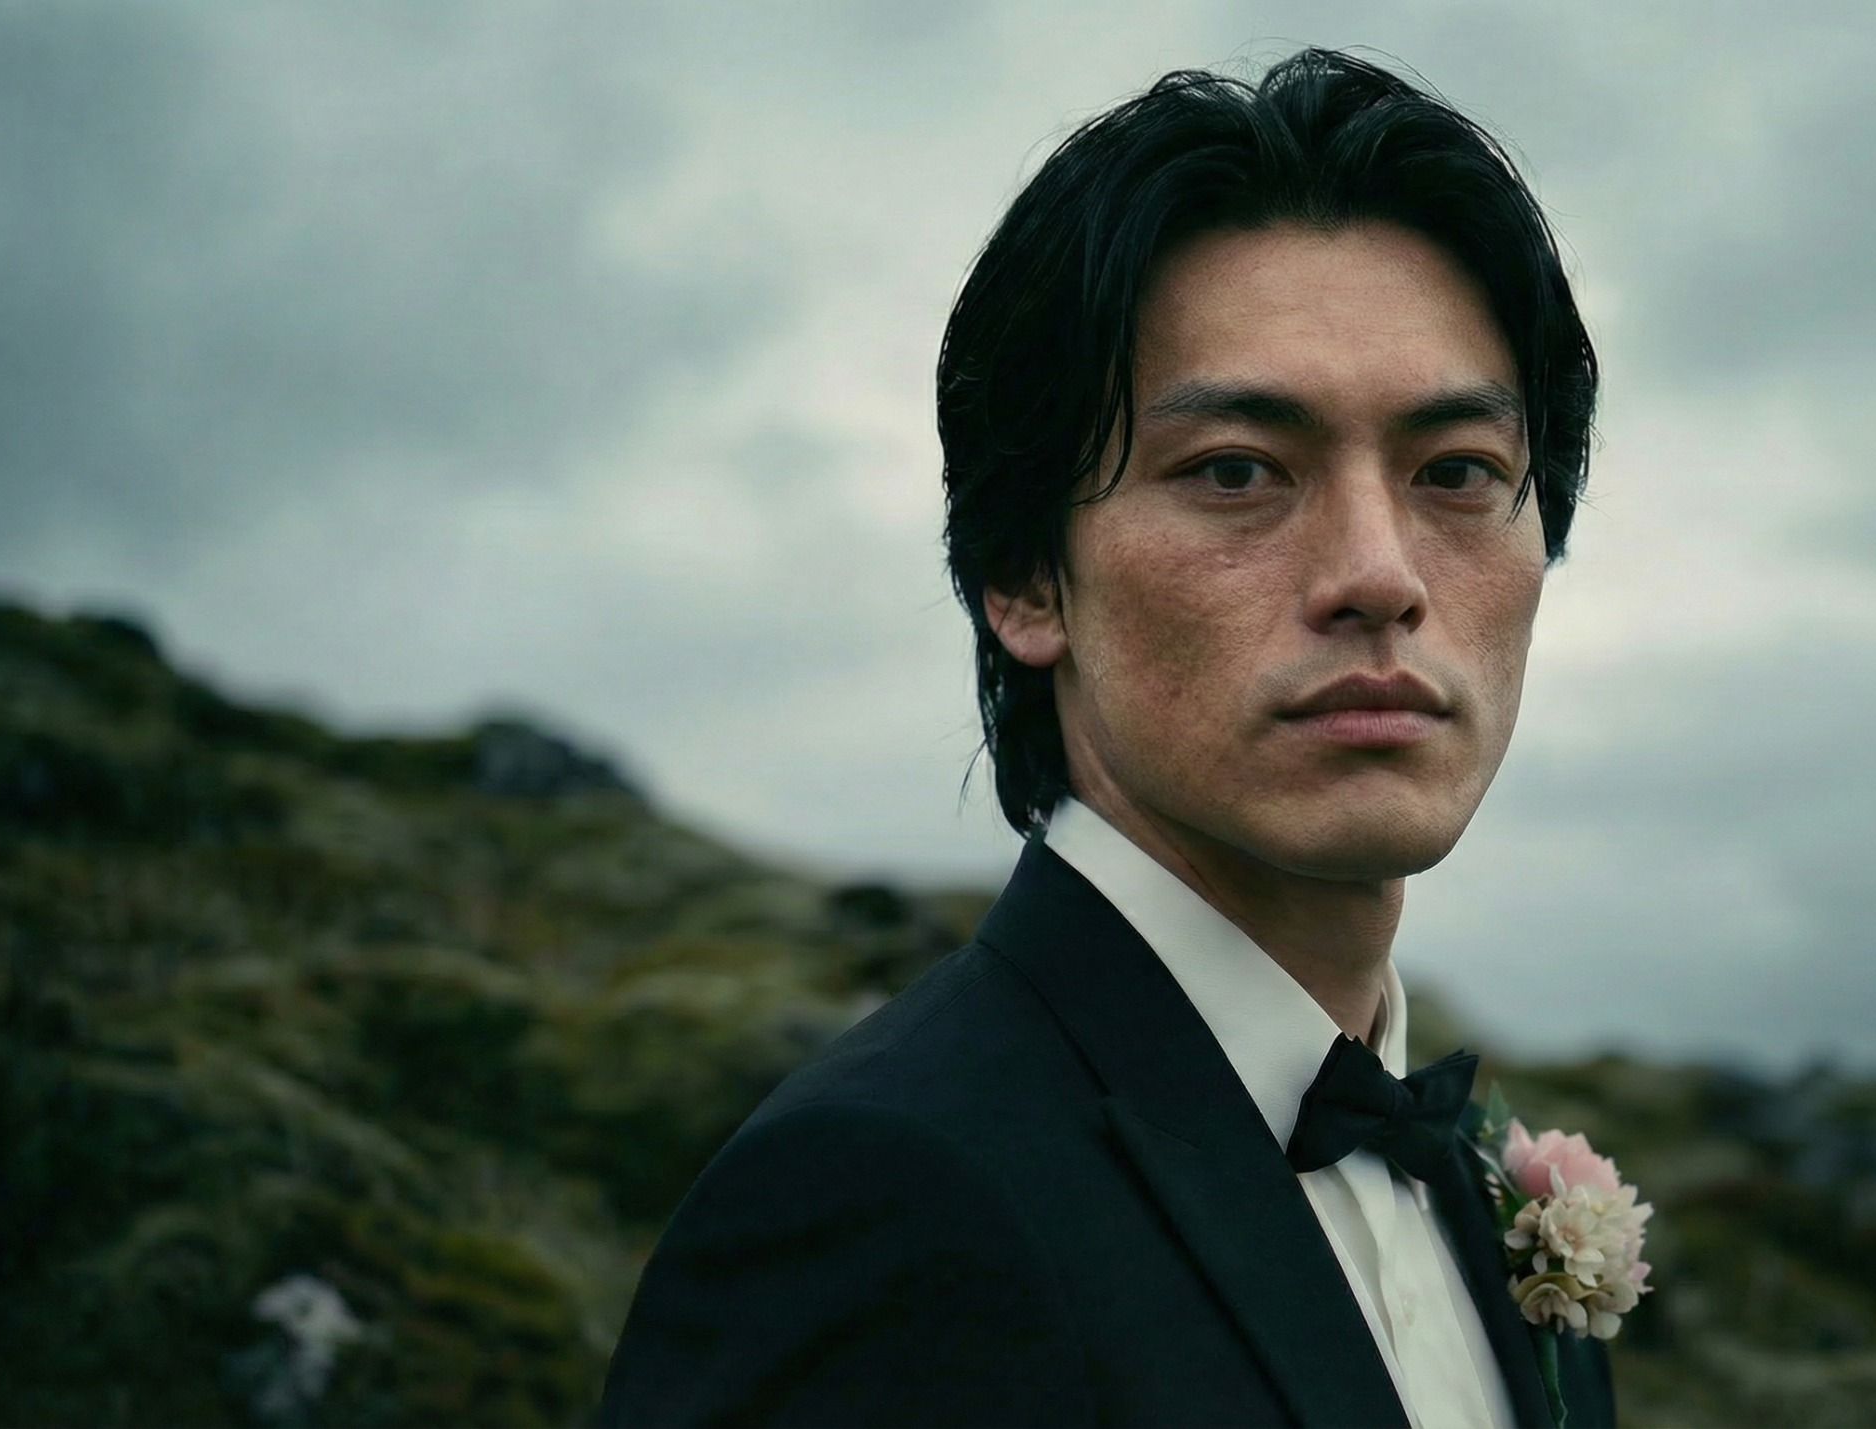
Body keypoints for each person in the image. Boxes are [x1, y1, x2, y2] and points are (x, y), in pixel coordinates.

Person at [600, 48, 1607, 1427]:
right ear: (1025, 577)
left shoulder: (1479, 1185)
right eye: (1237, 471)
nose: (1380, 574)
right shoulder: (882, 1200)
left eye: (1457, 473)